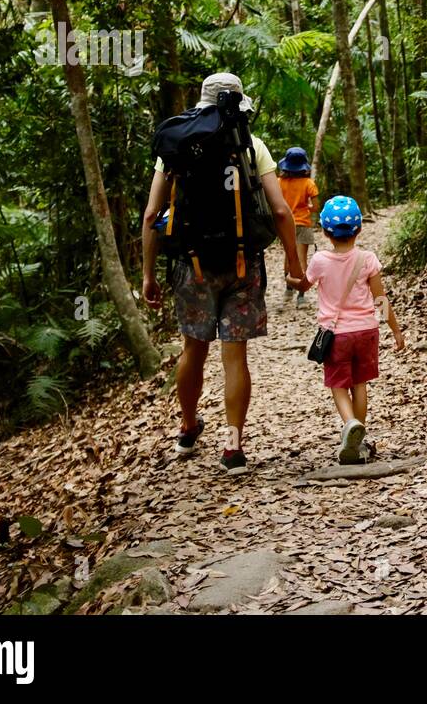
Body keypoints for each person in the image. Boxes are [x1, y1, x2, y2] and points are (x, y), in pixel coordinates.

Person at [141, 73, 305, 475]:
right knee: (235, 357)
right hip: (241, 262)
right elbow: (281, 211)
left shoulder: (176, 146)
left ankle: (187, 427)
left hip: (192, 263)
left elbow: (151, 216)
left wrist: (148, 275)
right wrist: (293, 262)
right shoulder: (253, 145)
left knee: (192, 349)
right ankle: (233, 447)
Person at [287, 196, 405, 464]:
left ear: (326, 232)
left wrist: (291, 280)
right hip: (366, 332)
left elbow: (304, 286)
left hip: (336, 334)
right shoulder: (367, 259)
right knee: (359, 383)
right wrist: (396, 331)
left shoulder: (319, 260)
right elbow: (380, 300)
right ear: (359, 228)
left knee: (339, 385)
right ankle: (358, 439)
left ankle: (350, 424)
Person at [277, 146, 320, 308]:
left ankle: (288, 289)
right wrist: (305, 207)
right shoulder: (309, 183)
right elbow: (316, 206)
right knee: (302, 259)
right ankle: (301, 297)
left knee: (288, 256)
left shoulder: (279, 182)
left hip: (285, 224)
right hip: (303, 223)